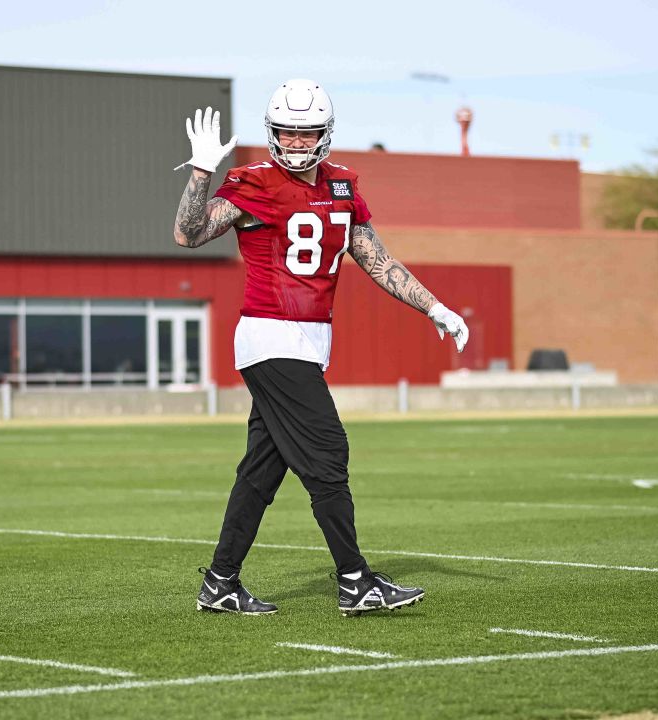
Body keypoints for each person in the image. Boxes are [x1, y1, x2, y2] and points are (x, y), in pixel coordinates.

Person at [171, 79, 469, 617]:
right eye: (287, 131)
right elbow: (188, 235)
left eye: (307, 133)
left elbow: (379, 262)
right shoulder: (252, 182)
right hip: (269, 335)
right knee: (328, 452)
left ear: (324, 134)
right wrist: (200, 173)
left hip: (308, 342)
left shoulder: (342, 187)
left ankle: (220, 582)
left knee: (262, 470)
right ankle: (356, 580)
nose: (296, 142)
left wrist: (435, 307)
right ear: (273, 132)